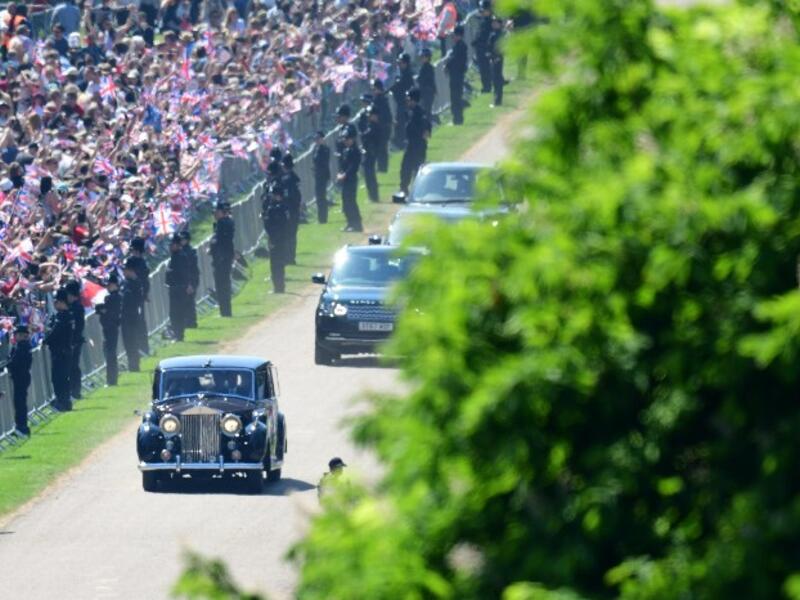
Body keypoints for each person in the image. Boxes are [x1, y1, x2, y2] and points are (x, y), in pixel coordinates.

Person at [399, 88, 432, 194]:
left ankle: (420, 191)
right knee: (405, 168)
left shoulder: (420, 113)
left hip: (418, 146)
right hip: (410, 145)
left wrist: (423, 134)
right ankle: (404, 189)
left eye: (409, 99)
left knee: (417, 170)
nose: (407, 101)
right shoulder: (409, 112)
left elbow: (426, 130)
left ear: (414, 100)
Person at [46, 288, 73, 412]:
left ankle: (62, 401)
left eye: (57, 302)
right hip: (64, 351)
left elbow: (55, 333)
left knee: (59, 378)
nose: (55, 304)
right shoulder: (66, 316)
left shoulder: (63, 317)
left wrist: (46, 340)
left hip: (60, 352)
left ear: (62, 302)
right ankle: (64, 401)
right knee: (62, 378)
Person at [262, 179, 291, 294]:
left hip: (276, 239)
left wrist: (272, 240)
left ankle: (278, 287)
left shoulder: (276, 209)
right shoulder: (284, 207)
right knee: (279, 263)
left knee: (276, 264)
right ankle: (279, 286)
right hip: (282, 239)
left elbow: (273, 226)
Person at [209, 201, 235, 317]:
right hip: (223, 257)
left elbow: (220, 241)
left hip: (222, 258)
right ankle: (225, 311)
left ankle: (225, 311)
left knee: (222, 285)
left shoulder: (223, 223)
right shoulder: (224, 222)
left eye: (216, 212)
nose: (214, 214)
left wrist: (213, 248)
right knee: (222, 284)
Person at [96, 273, 121, 386]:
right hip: (109, 327)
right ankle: (111, 379)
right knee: (109, 353)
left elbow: (108, 312)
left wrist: (102, 310)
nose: (107, 287)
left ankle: (112, 380)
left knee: (110, 354)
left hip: (111, 327)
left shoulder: (114, 297)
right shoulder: (112, 297)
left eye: (109, 284)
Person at [7, 324, 32, 436]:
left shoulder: (22, 347)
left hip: (21, 377)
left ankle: (22, 427)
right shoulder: (21, 346)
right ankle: (20, 425)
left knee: (20, 403)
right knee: (19, 403)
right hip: (21, 377)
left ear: (21, 335)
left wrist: (6, 366)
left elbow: (14, 362)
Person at [126, 237, 150, 356]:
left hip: (137, 295)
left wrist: (145, 293)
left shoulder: (136, 262)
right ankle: (141, 348)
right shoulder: (138, 261)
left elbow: (142, 280)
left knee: (140, 322)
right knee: (137, 321)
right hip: (134, 296)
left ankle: (143, 347)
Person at [121, 258, 144, 373]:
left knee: (132, 342)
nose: (123, 272)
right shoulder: (127, 283)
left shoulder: (134, 283)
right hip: (126, 317)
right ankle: (132, 364)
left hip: (131, 316)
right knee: (128, 342)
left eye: (125, 270)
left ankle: (134, 365)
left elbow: (134, 300)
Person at [166, 233, 190, 342]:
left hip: (179, 287)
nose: (170, 247)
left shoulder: (181, 256)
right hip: (174, 287)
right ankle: (176, 333)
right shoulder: (174, 256)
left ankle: (179, 335)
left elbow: (183, 272)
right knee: (173, 313)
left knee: (178, 312)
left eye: (172, 244)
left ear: (177, 245)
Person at [338, 129, 363, 232]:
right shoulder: (345, 150)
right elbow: (343, 165)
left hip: (351, 179)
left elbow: (353, 166)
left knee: (351, 201)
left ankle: (357, 224)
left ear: (352, 139)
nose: (345, 141)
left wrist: (345, 174)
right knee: (345, 202)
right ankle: (350, 222)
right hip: (345, 180)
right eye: (344, 139)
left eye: (347, 139)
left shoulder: (355, 151)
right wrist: (340, 173)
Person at [65, 279, 84, 400]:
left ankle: (75, 390)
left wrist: (74, 340)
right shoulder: (74, 306)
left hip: (74, 341)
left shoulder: (76, 307)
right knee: (72, 366)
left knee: (73, 366)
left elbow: (78, 326)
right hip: (72, 340)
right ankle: (73, 390)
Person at [445, 24, 469, 125]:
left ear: (459, 35)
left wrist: (448, 65)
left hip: (457, 75)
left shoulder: (461, 46)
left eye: (454, 35)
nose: (453, 37)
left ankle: (457, 119)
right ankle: (457, 118)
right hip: (456, 74)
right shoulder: (458, 46)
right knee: (455, 97)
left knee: (456, 97)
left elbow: (456, 61)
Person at [390, 53, 415, 148]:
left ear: (406, 63)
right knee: (400, 122)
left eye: (401, 63)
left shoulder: (407, 75)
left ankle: (401, 142)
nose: (399, 65)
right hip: (401, 103)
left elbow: (403, 88)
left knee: (401, 123)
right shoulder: (402, 74)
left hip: (404, 103)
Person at [282, 153, 302, 265]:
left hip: (290, 209)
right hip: (294, 209)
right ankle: (290, 256)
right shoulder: (295, 177)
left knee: (288, 234)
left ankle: (289, 257)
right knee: (292, 234)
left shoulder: (288, 179)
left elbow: (290, 195)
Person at [371, 79, 393, 173]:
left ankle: (382, 167)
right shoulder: (383, 99)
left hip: (382, 128)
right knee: (382, 148)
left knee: (381, 149)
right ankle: (382, 167)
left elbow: (383, 114)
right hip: (385, 127)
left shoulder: (379, 100)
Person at [472, 0, 494, 93]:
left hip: (484, 47)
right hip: (480, 47)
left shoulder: (489, 22)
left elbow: (484, 36)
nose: (482, 13)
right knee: (483, 68)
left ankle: (487, 87)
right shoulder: (484, 20)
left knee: (485, 68)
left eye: (483, 11)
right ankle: (486, 86)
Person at [361, 106, 381, 203]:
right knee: (368, 175)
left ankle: (374, 196)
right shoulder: (370, 125)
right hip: (368, 152)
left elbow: (370, 138)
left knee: (370, 175)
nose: (368, 116)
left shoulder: (375, 126)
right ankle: (372, 195)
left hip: (371, 153)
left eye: (370, 115)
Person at [180, 230, 199, 328]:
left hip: (191, 279)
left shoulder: (189, 252)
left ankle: (191, 322)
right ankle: (187, 322)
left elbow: (190, 269)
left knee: (189, 302)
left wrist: (190, 283)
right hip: (184, 280)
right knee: (185, 302)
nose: (181, 241)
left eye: (183, 239)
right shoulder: (181, 251)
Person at [311, 130, 331, 224]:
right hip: (317, 175)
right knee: (319, 197)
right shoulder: (316, 149)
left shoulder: (324, 149)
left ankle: (323, 218)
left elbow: (323, 162)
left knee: (321, 197)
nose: (317, 141)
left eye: (318, 139)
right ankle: (320, 218)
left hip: (322, 175)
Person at [416, 48, 438, 123]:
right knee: (425, 110)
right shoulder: (423, 67)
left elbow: (427, 80)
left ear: (427, 57)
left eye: (423, 57)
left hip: (428, 92)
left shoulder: (428, 68)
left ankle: (430, 124)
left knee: (427, 110)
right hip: (424, 92)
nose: (421, 59)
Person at [488, 17, 506, 107]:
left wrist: (497, 57)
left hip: (497, 58)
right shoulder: (495, 34)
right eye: (493, 23)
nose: (493, 24)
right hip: (495, 58)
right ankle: (497, 100)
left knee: (497, 80)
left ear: (499, 24)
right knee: (496, 80)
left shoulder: (499, 35)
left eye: (495, 23)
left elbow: (500, 47)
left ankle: (497, 101)